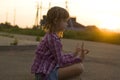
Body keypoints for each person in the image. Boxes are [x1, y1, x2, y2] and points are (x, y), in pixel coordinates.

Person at [31, 6, 89, 80]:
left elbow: (59, 57)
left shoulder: (51, 36)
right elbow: (61, 61)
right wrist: (79, 59)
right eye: (65, 21)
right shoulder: (53, 39)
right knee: (79, 67)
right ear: (56, 21)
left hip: (46, 72)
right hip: (45, 75)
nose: (67, 24)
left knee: (76, 77)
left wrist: (74, 54)